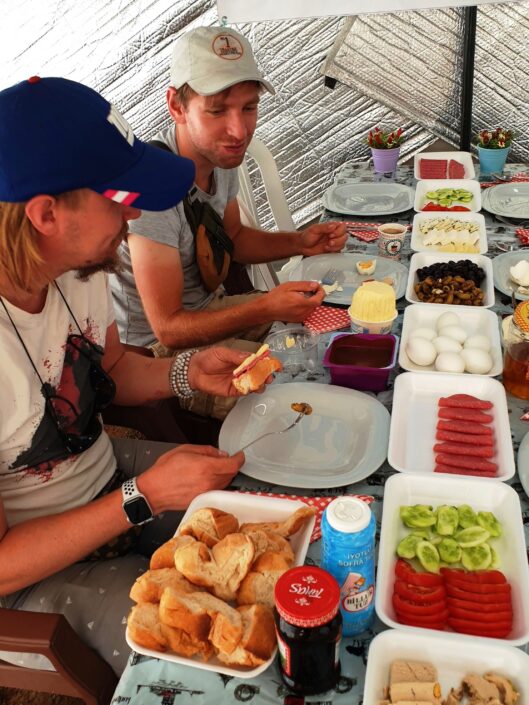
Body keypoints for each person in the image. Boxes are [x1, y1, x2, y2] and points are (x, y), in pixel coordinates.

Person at [0, 75, 261, 675]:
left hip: (107, 477)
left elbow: (112, 368)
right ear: (45, 214)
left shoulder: (78, 267)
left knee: (263, 511)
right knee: (198, 648)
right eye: (120, 196)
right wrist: (141, 498)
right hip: (30, 571)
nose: (137, 211)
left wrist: (188, 372)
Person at [110, 25, 348, 417]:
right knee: (299, 395)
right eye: (217, 110)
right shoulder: (152, 191)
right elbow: (168, 328)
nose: (239, 131)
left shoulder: (220, 156)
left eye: (249, 108)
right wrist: (266, 307)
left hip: (210, 306)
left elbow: (233, 237)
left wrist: (299, 242)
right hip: (156, 350)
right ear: (177, 106)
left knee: (333, 331)